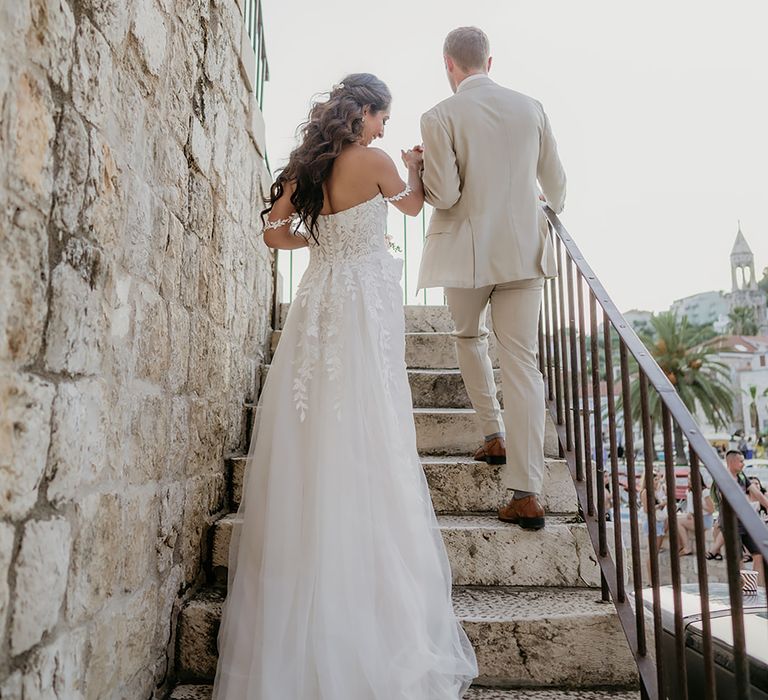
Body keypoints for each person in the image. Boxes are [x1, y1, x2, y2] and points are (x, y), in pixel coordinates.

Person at [211, 73, 477, 699]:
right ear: (362, 113)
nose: (386, 127)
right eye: (383, 117)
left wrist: (316, 240)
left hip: (321, 295)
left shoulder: (309, 166)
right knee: (368, 407)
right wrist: (412, 166)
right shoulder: (379, 160)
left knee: (316, 413)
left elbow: (272, 232)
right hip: (363, 299)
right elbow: (412, 206)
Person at [416, 26, 567, 529]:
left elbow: (444, 196)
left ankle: (492, 433)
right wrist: (541, 212)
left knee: (466, 335)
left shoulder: (439, 115)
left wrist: (417, 168)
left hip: (467, 255)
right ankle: (527, 492)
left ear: (448, 64)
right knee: (522, 364)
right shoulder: (532, 107)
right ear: (490, 61)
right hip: (525, 252)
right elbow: (557, 187)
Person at [710, 450, 768, 585]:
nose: (743, 464)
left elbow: (758, 494)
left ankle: (756, 588)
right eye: (741, 461)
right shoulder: (722, 479)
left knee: (758, 554)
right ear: (731, 462)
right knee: (738, 559)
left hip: (745, 523)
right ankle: (742, 591)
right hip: (731, 524)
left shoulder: (742, 477)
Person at [676, 474, 714, 556]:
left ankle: (686, 548)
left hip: (705, 519)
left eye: (691, 479)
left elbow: (711, 510)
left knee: (677, 522)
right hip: (695, 517)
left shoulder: (705, 492)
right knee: (675, 519)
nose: (689, 481)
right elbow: (691, 507)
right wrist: (690, 513)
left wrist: (700, 505)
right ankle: (680, 546)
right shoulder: (689, 491)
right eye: (689, 479)